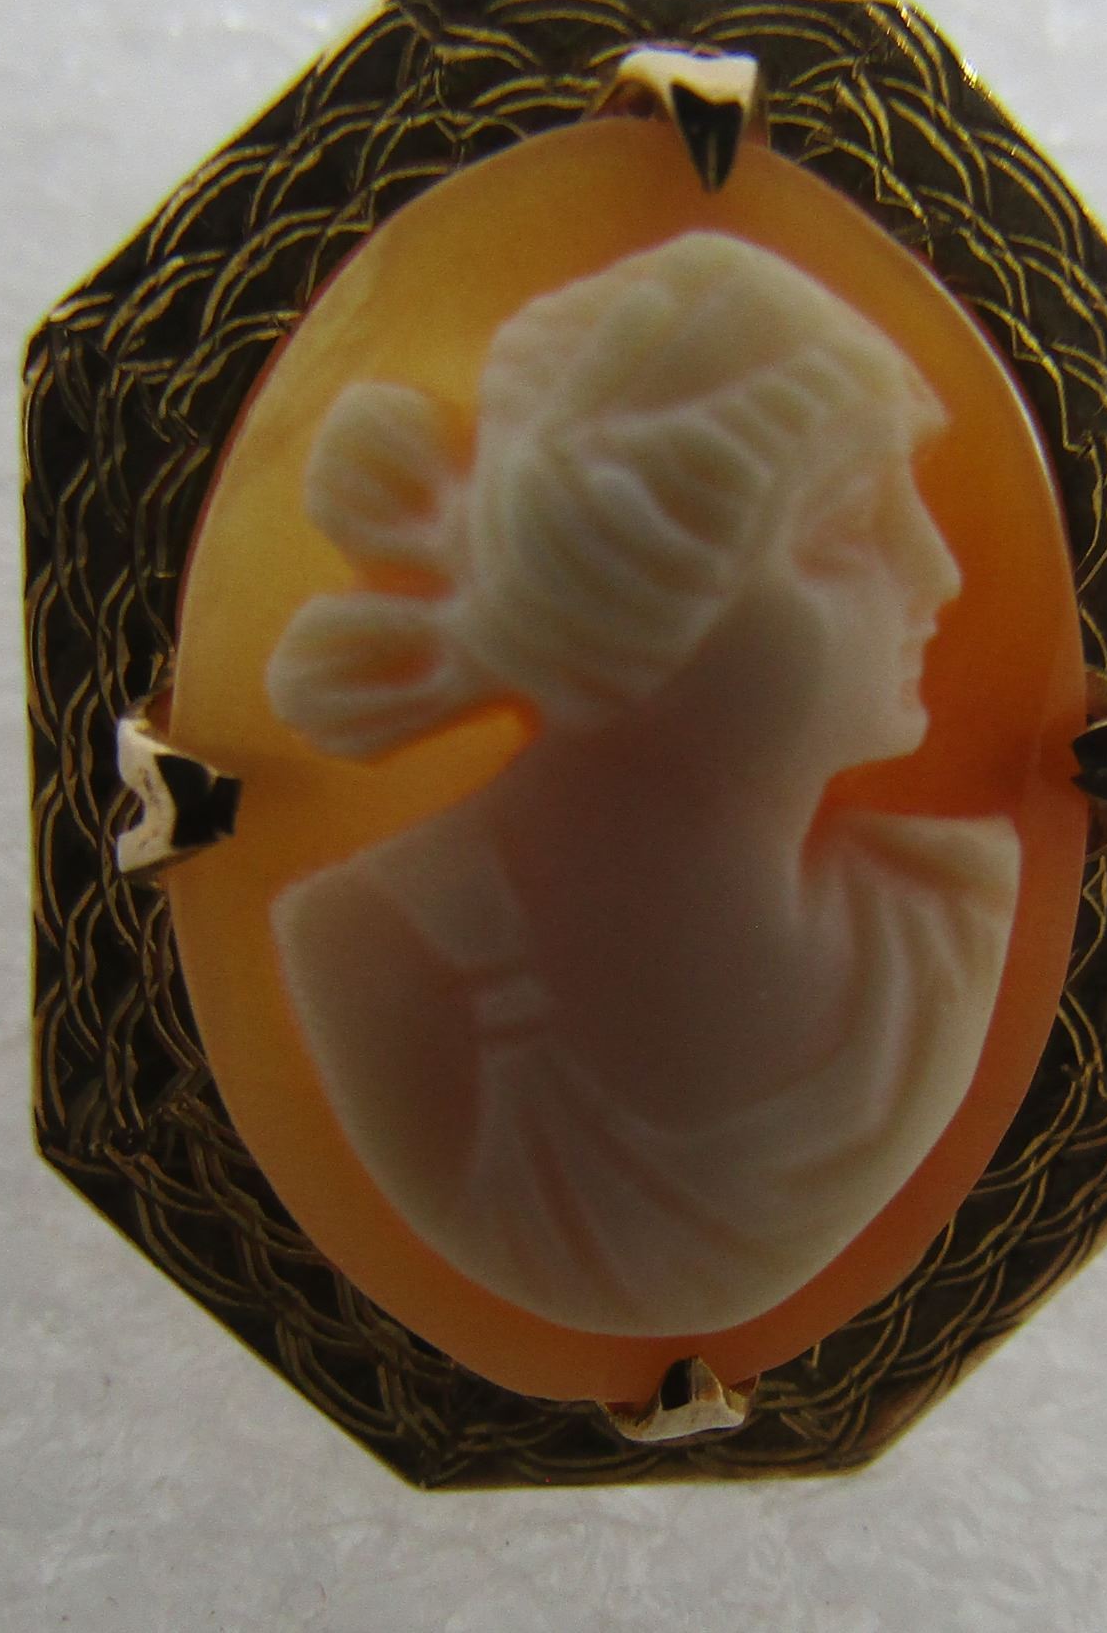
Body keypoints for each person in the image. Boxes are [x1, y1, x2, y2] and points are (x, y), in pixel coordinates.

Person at [265, 231, 1020, 1338]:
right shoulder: (378, 959)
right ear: (629, 594)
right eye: (850, 524)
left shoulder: (960, 917)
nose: (938, 571)